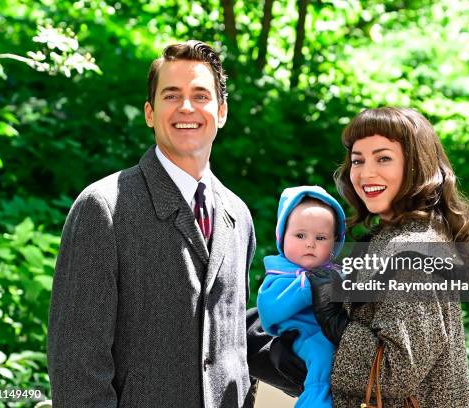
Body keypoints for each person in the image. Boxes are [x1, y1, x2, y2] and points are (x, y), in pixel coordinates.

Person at [47, 40, 292, 408]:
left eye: (200, 95)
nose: (187, 107)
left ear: (221, 112)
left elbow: (231, 343)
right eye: (172, 95)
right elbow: (76, 366)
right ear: (150, 112)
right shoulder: (103, 208)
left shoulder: (238, 215)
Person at [306, 107, 469, 407]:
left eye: (383, 158)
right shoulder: (388, 239)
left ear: (416, 165)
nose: (365, 173)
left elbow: (394, 371)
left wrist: (335, 322)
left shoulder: (415, 250)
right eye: (357, 161)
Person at [257, 186, 346, 408]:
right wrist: (309, 287)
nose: (310, 243)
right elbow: (268, 313)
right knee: (322, 357)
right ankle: (315, 402)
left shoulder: (335, 272)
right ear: (282, 237)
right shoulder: (280, 274)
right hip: (303, 335)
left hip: (333, 331)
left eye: (321, 237)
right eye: (300, 235)